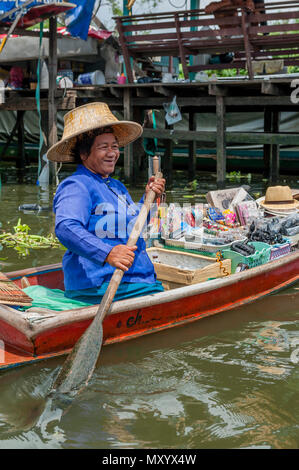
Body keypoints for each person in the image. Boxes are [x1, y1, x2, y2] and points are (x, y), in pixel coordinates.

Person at [47, 102, 166, 304]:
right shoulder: (77, 185)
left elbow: (134, 228)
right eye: (104, 147)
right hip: (100, 285)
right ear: (84, 154)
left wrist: (150, 199)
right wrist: (108, 253)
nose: (112, 153)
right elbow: (66, 228)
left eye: (115, 146)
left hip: (136, 280)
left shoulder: (117, 186)